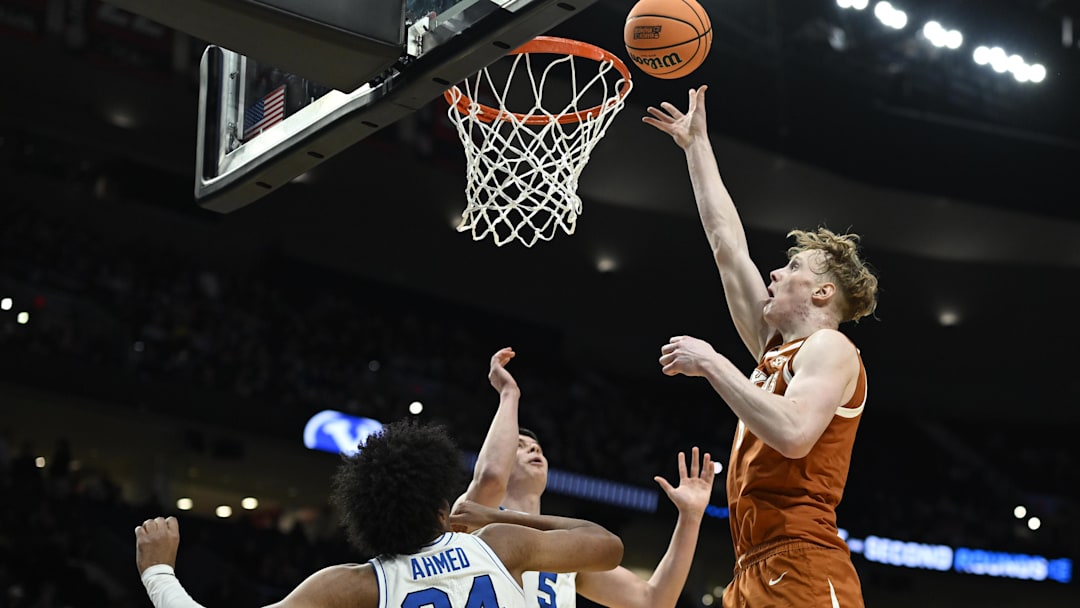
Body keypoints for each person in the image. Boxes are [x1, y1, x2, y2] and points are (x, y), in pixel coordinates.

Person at [643, 85, 879, 607]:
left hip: (803, 564)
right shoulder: (776, 350)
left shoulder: (831, 348)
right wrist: (696, 146)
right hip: (750, 565)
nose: (775, 272)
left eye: (793, 267)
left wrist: (712, 362)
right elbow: (726, 244)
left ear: (823, 292)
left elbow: (794, 434)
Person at [134, 419, 624, 608]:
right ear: (441, 506)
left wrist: (158, 571)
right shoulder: (499, 544)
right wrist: (500, 518)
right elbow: (607, 546)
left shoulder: (353, 584)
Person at [452, 347, 715, 608]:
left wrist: (690, 518)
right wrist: (509, 394)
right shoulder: (477, 515)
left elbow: (654, 601)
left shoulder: (564, 546)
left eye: (537, 447)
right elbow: (491, 476)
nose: (533, 449)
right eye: (519, 446)